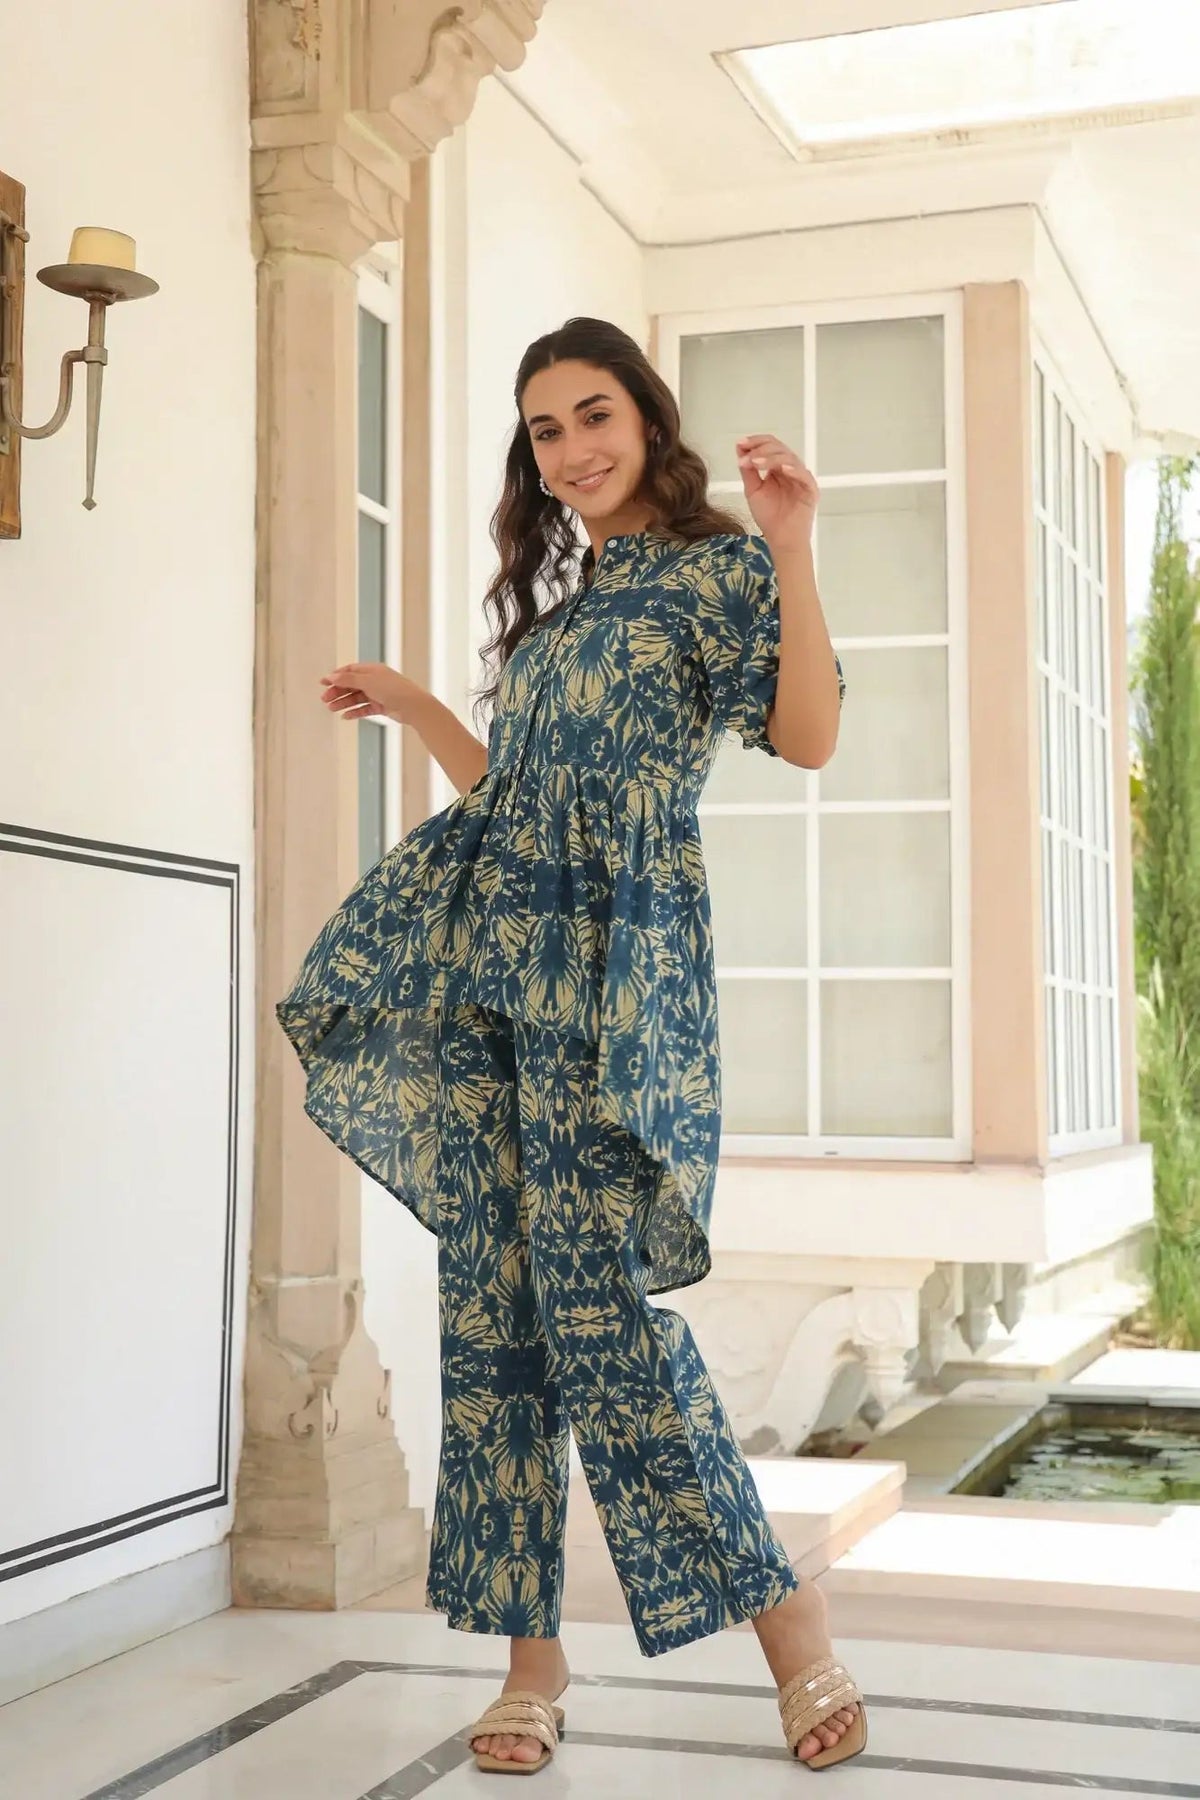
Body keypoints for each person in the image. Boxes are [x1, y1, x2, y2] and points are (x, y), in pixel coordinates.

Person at [277, 316, 864, 1775]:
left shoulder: (720, 574)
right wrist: (420, 706)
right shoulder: (561, 617)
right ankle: (531, 1664)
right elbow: (516, 798)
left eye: (593, 414)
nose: (573, 449)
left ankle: (788, 1619)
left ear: (646, 417)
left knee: (605, 1314)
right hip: (501, 970)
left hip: (623, 977)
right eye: (546, 431)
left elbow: (807, 737)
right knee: (496, 1312)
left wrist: (793, 548)